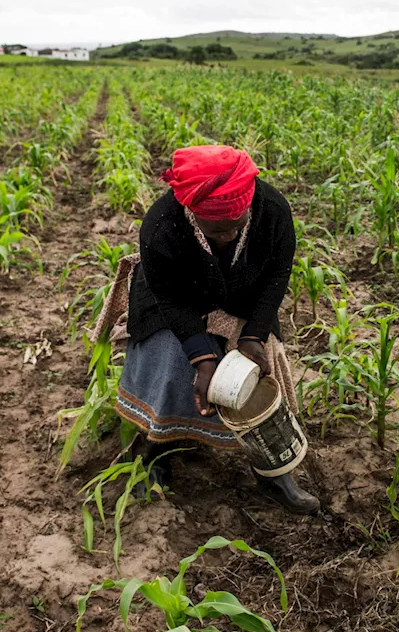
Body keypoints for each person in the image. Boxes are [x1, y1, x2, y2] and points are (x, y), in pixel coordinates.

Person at [113, 144, 319, 514]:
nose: (226, 236)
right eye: (216, 229)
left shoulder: (272, 211)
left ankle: (272, 469)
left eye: (235, 227)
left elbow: (276, 275)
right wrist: (202, 357)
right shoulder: (162, 224)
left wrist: (254, 335)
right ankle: (156, 450)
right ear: (193, 211)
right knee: (173, 359)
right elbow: (168, 297)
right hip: (176, 296)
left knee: (256, 373)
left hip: (244, 292)